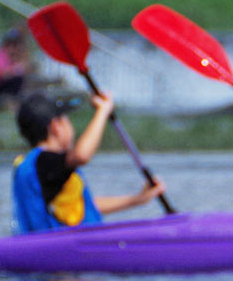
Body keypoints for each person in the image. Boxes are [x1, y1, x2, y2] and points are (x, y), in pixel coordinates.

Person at [11, 91, 166, 234]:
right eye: (67, 120)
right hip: (60, 251)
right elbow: (81, 156)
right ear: (56, 127)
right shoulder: (44, 162)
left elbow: (86, 206)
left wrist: (136, 200)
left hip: (61, 247)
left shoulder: (45, 167)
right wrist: (102, 112)